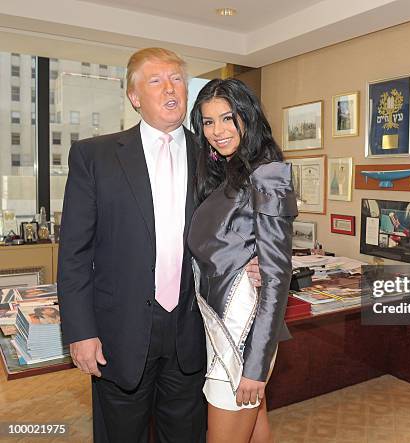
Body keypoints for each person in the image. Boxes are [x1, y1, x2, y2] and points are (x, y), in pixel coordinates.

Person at [58, 48, 261, 443]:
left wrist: (253, 260)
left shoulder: (214, 153)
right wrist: (80, 332)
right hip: (119, 334)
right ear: (134, 97)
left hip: (192, 331)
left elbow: (236, 223)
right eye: (156, 81)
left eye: (177, 79)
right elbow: (74, 255)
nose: (170, 88)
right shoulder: (94, 156)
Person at [188, 78, 297, 443]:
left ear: (246, 117)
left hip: (242, 337)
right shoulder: (230, 173)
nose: (217, 131)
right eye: (207, 122)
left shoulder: (267, 174)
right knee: (254, 429)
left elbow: (278, 275)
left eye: (227, 118)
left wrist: (255, 366)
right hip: (222, 327)